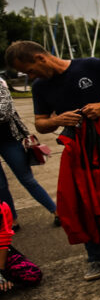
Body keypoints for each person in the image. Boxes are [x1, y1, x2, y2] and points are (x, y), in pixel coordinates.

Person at [6, 40, 100, 281]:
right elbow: (40, 123)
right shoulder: (40, 87)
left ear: (40, 58)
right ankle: (96, 257)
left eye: (30, 70)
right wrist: (58, 120)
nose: (30, 76)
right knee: (88, 204)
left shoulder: (91, 66)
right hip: (80, 152)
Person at [0, 76, 58, 227]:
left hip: (9, 139)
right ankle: (11, 220)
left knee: (27, 179)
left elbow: (4, 111)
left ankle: (56, 211)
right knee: (0, 186)